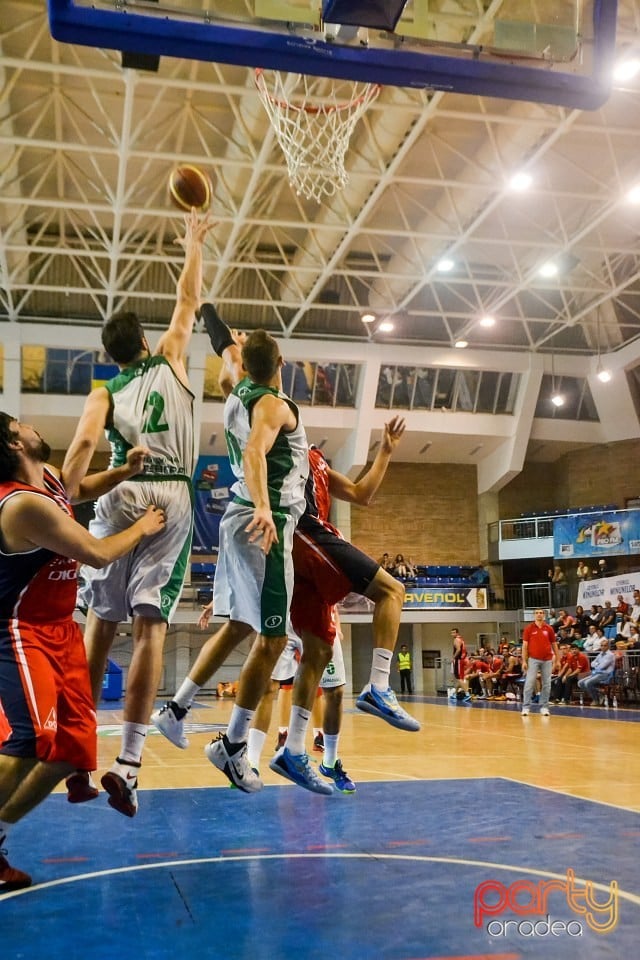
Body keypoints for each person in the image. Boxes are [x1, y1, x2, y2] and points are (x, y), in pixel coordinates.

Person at [60, 208, 213, 816]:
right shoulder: (172, 356)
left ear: (110, 355)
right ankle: (128, 761)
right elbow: (188, 298)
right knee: (150, 625)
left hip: (121, 489)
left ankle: (76, 753)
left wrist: (72, 487)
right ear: (146, 344)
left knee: (99, 623)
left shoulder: (104, 390)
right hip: (170, 494)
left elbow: (77, 454)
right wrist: (194, 243)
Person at [0, 414, 165, 888]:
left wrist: (125, 471)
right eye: (22, 423)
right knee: (30, 740)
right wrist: (144, 526)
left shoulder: (46, 482)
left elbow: (78, 489)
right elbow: (95, 552)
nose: (32, 425)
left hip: (60, 630)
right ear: (16, 443)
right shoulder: (19, 504)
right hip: (20, 629)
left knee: (72, 751)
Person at [154, 324, 310, 794]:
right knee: (274, 639)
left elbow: (225, 358)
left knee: (240, 626)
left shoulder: (233, 389)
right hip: (266, 521)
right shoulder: (272, 405)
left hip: (235, 519)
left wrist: (217, 326)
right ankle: (234, 743)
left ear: (244, 364)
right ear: (281, 365)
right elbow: (254, 451)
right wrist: (265, 506)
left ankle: (176, 709)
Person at [521, 608, 560, 717]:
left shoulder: (549, 629)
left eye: (541, 613)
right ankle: (526, 707)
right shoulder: (529, 628)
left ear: (544, 615)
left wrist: (557, 659)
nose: (539, 615)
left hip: (547, 659)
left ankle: (544, 707)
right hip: (533, 659)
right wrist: (524, 661)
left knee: (547, 684)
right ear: (534, 615)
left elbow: (554, 644)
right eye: (537, 613)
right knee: (529, 682)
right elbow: (524, 646)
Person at [577, 638, 615, 704]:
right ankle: (600, 692)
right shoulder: (600, 654)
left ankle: (596, 700)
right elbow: (592, 663)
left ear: (608, 646)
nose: (603, 647)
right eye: (601, 645)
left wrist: (597, 664)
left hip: (605, 674)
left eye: (605, 645)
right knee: (580, 683)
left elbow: (602, 666)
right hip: (596, 673)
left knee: (587, 683)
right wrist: (597, 664)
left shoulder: (610, 655)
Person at [449, 628, 470, 702]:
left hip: (458, 660)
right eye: (452, 633)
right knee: (459, 678)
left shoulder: (456, 640)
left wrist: (453, 658)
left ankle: (467, 694)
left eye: (454, 633)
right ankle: (455, 694)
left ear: (457, 633)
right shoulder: (461, 639)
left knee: (458, 678)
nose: (452, 634)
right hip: (461, 660)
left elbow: (458, 650)